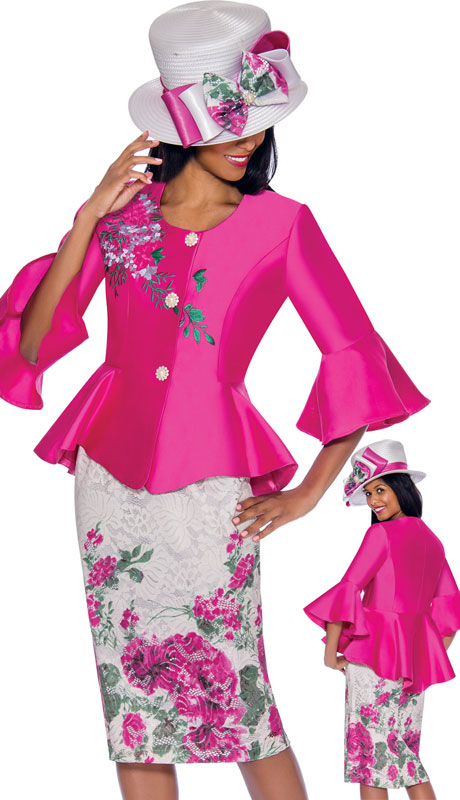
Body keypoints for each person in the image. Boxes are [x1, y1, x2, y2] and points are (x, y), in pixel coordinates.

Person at [0, 3, 430, 800]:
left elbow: (354, 355)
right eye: (231, 125)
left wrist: (308, 492)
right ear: (178, 127)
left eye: (259, 126)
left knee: (241, 700)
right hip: (109, 484)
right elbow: (30, 346)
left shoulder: (284, 225)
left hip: (213, 487)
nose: (249, 141)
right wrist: (87, 217)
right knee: (134, 708)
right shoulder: (122, 219)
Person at [304, 439, 460, 800]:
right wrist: (423, 651)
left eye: (380, 489)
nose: (374, 500)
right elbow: (450, 608)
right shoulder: (432, 541)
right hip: (413, 666)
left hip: (373, 659)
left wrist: (330, 656)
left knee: (370, 761)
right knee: (404, 757)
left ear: (401, 488)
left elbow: (347, 591)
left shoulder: (381, 534)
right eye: (368, 492)